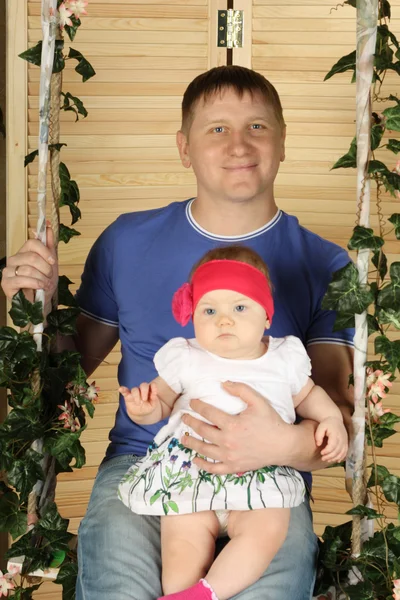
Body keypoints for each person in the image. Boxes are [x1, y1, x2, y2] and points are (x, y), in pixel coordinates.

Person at [1, 66, 354, 600]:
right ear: (184, 147)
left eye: (257, 127)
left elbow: (338, 426)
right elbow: (63, 372)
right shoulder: (126, 241)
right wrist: (29, 306)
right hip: (144, 460)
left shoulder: (326, 265)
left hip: (269, 481)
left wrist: (279, 442)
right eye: (217, 129)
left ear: (282, 143)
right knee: (121, 588)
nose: (238, 144)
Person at [118, 246, 348, 600]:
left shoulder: (284, 358)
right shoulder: (188, 356)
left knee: (267, 530)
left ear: (266, 315)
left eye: (240, 308)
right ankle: (179, 593)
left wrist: (331, 418)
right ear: (193, 315)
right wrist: (143, 409)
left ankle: (209, 592)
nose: (224, 320)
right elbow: (161, 401)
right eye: (209, 310)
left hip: (259, 473)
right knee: (181, 540)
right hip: (190, 471)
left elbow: (309, 395)